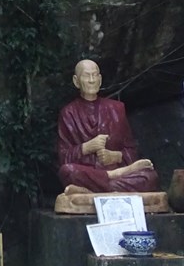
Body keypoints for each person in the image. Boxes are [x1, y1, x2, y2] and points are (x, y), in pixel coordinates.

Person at [57, 59, 159, 194]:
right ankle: (111, 180)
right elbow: (63, 157)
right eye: (87, 76)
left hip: (110, 172)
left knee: (150, 177)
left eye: (95, 75)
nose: (92, 80)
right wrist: (86, 147)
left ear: (100, 79)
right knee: (68, 171)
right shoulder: (68, 113)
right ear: (76, 81)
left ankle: (89, 191)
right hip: (88, 172)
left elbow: (131, 150)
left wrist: (116, 156)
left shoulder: (117, 109)